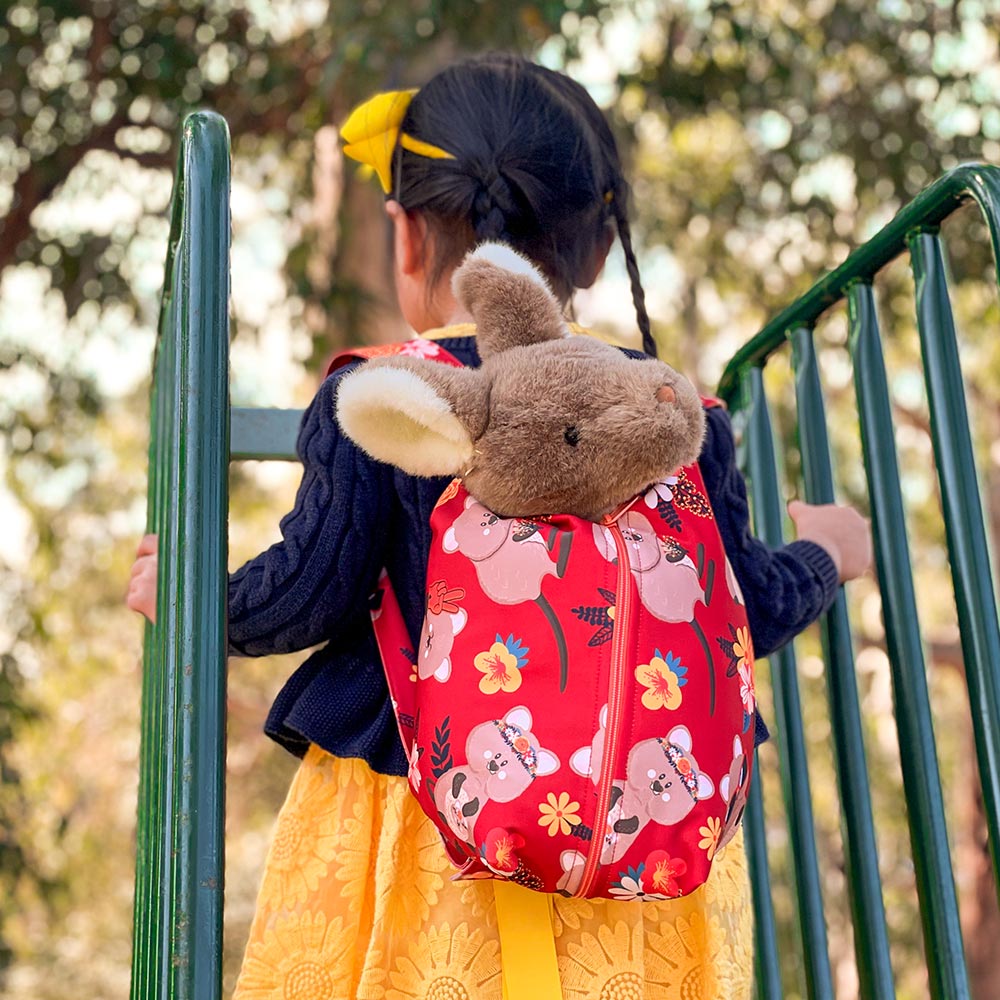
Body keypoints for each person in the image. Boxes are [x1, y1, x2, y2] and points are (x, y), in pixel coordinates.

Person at [128, 52, 871, 1000]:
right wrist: (831, 551)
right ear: (600, 250)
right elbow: (748, 609)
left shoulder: (381, 400)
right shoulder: (673, 415)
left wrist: (194, 592)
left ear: (406, 238)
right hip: (628, 849)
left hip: (422, 829)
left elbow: (307, 592)